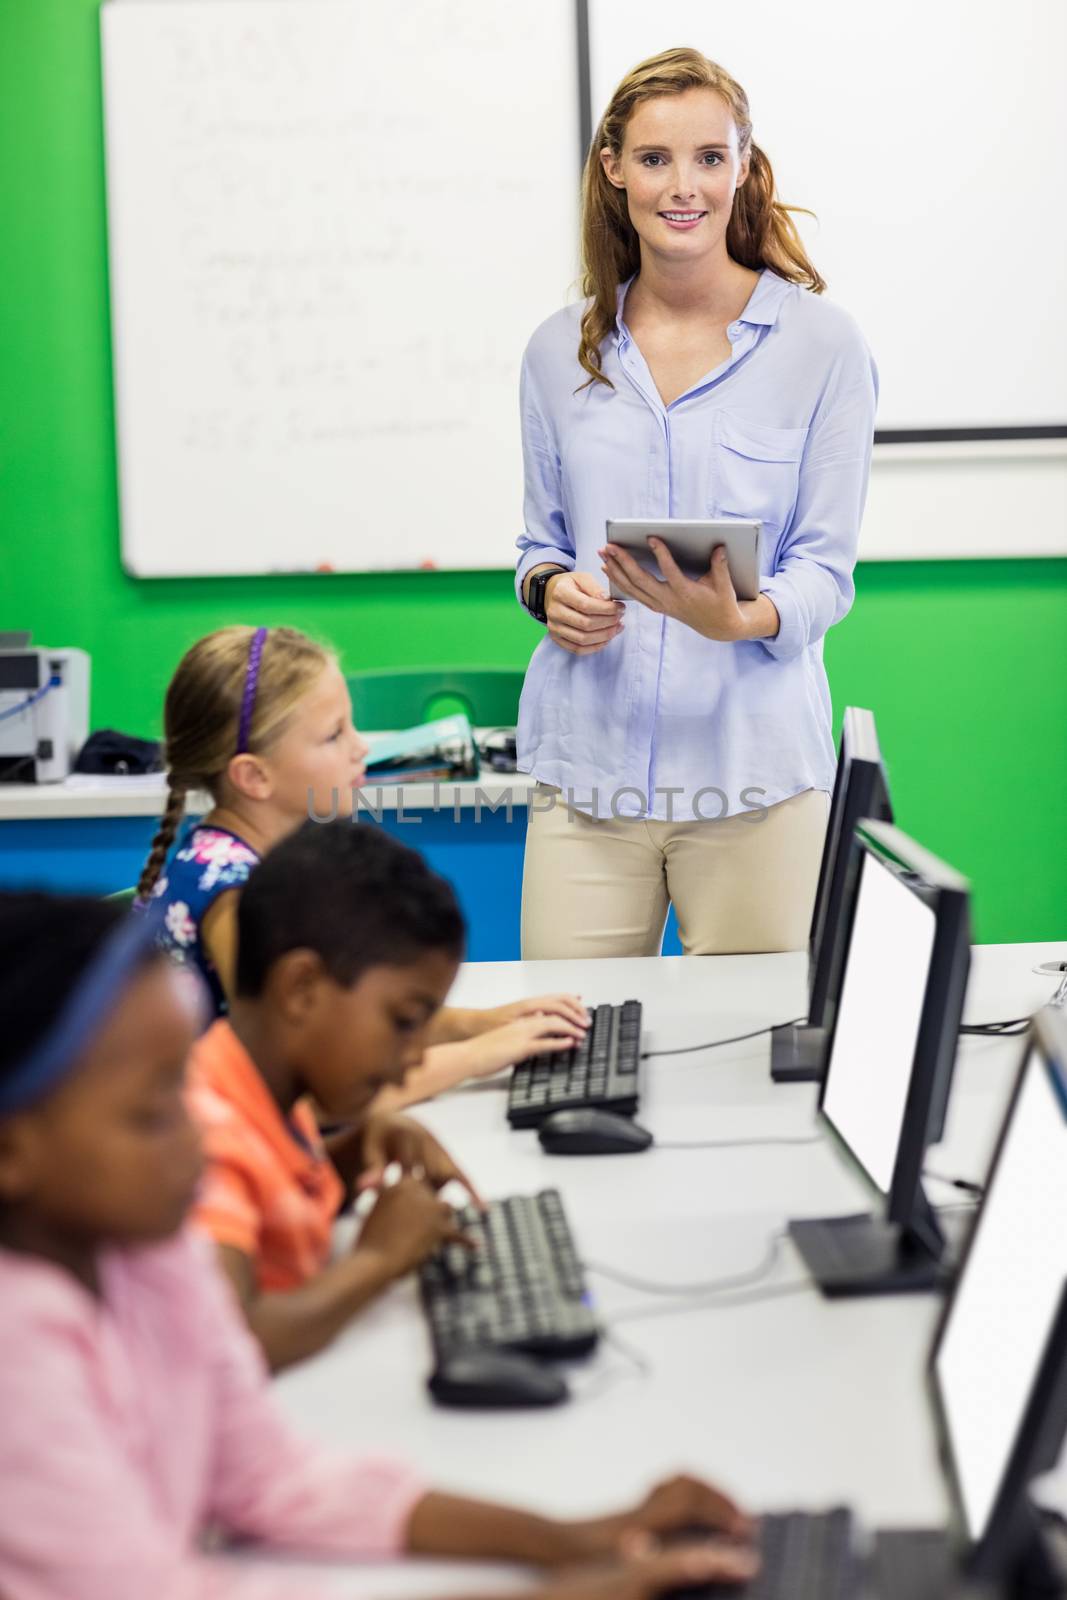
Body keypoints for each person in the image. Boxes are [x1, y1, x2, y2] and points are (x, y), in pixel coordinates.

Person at [0, 890, 759, 1600]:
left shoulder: (146, 1258)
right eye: (151, 1113)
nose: (199, 1136)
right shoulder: (18, 1348)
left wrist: (569, 1540)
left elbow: (273, 1480)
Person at [515, 48, 878, 960]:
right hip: (587, 779)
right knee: (567, 1059)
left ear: (742, 169)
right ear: (613, 171)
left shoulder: (823, 348)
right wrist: (547, 590)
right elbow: (538, 542)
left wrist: (745, 616)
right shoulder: (557, 353)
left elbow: (826, 573)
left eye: (709, 158)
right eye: (653, 158)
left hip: (754, 781)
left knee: (763, 1068)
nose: (683, 186)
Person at [136, 624, 588, 1100]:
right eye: (334, 735)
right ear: (254, 776)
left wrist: (486, 1023)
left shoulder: (260, 861)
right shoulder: (234, 898)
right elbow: (309, 1093)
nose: (361, 747)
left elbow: (342, 1026)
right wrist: (479, 1056)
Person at [187, 818, 485, 1371]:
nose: (417, 1053)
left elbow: (275, 1208)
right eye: (404, 1021)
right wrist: (377, 1259)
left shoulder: (274, 1092)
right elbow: (233, 1343)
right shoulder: (203, 1135)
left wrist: (351, 1156)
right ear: (301, 989)